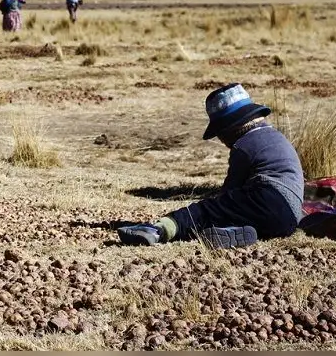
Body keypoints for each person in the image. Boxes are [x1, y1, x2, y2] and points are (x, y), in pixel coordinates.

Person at [117, 83, 303, 248]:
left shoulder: (244, 145)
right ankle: (232, 232)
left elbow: (231, 189)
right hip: (289, 218)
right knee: (237, 212)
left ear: (230, 129)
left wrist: (210, 204)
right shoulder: (274, 136)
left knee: (207, 211)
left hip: (268, 197)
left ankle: (159, 229)